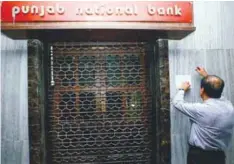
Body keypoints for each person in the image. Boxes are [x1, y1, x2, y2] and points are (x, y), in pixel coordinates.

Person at [172, 67, 234, 164]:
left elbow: (177, 103)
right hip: (219, 157)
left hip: (199, 158)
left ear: (202, 90)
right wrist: (206, 76)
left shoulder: (200, 110)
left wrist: (181, 89)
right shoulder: (230, 107)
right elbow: (217, 93)